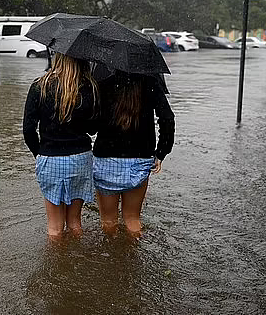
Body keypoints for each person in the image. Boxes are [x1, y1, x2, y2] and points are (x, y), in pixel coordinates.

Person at [23, 52, 99, 240]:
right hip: (80, 158)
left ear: (58, 57)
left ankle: (58, 267)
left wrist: (40, 153)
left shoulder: (39, 86)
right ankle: (75, 264)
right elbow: (93, 128)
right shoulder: (89, 87)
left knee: (55, 228)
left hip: (50, 159)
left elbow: (28, 130)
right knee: (75, 223)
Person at [92, 69, 174, 238]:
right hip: (140, 158)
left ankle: (109, 258)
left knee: (108, 220)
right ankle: (132, 258)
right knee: (132, 219)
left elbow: (91, 125)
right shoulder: (150, 82)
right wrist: (161, 152)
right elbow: (167, 118)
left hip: (106, 158)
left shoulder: (103, 82)